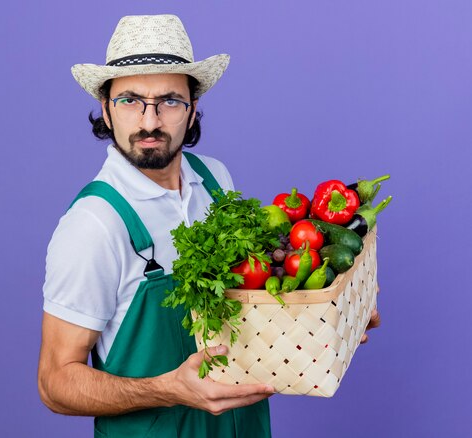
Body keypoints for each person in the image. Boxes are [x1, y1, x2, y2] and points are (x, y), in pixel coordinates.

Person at [37, 14, 380, 438]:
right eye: (129, 100)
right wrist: (168, 389)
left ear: (193, 109)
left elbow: (257, 302)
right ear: (106, 111)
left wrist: (327, 317)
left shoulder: (217, 182)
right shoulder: (94, 225)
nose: (149, 122)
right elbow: (55, 383)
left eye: (169, 101)